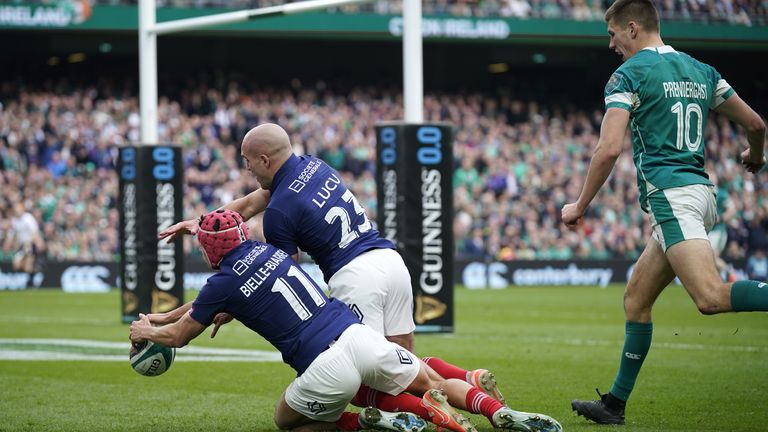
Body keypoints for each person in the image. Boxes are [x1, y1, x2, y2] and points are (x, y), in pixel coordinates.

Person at [158, 123, 506, 406]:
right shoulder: (314, 165)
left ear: (265, 160)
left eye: (248, 161)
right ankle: (469, 382)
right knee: (406, 367)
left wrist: (229, 304)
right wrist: (201, 222)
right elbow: (251, 202)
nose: (246, 169)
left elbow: (279, 272)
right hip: (391, 261)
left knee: (370, 383)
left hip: (357, 277)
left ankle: (440, 412)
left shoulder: (279, 212)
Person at [135, 210, 562, 432]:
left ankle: (368, 421)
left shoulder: (222, 283)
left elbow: (179, 334)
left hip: (325, 364)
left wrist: (146, 330)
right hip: (357, 332)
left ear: (210, 252)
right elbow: (207, 301)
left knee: (289, 420)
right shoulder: (271, 251)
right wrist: (170, 311)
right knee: (428, 378)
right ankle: (494, 408)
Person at [561, 0, 768, 425]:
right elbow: (757, 125)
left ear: (632, 28)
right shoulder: (701, 70)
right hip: (700, 193)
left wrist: (579, 205)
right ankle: (614, 405)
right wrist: (757, 156)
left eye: (613, 34)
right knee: (636, 298)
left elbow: (609, 148)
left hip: (671, 196)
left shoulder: (628, 75)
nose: (611, 44)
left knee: (709, 297)